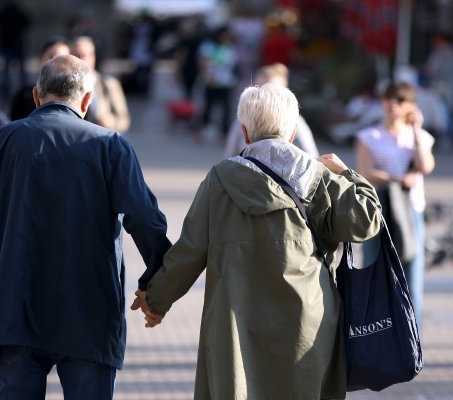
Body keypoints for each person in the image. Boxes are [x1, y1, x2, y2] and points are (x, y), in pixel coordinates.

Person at [0, 55, 171, 398]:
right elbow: (147, 220)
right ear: (87, 101)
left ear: (36, 96)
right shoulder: (110, 146)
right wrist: (158, 288)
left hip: (10, 311)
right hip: (89, 315)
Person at [132, 83, 383, 399]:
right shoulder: (319, 178)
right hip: (307, 323)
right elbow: (367, 222)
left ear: (245, 132)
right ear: (291, 133)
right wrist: (347, 173)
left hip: (234, 322)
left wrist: (156, 300)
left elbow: (190, 251)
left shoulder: (219, 179)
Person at [355, 81, 436, 328]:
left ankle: (412, 336)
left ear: (410, 106)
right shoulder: (369, 136)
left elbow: (426, 166)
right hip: (377, 211)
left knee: (412, 277)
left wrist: (416, 129)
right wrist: (397, 179)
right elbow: (365, 171)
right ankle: (377, 334)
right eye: (389, 99)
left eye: (400, 100)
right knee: (375, 272)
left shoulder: (419, 137)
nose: (393, 104)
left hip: (410, 211)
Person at [224, 63, 319, 158]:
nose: (266, 96)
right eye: (260, 88)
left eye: (273, 91)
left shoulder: (295, 121)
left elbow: (312, 155)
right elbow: (229, 156)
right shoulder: (242, 119)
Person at [71, 36, 131, 133]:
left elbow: (124, 119)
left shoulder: (109, 84)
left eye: (84, 55)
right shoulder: (65, 83)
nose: (81, 60)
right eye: (77, 55)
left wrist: (111, 122)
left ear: (93, 56)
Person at [9, 36, 70, 121]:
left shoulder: (77, 97)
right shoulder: (24, 97)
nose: (56, 64)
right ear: (41, 60)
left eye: (63, 59)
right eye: (51, 57)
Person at [198, 26, 238, 139]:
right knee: (208, 106)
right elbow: (201, 62)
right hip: (211, 82)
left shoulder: (230, 47)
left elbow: (234, 64)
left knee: (226, 107)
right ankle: (203, 128)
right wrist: (207, 76)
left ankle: (224, 132)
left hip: (226, 82)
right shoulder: (209, 46)